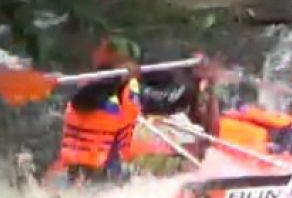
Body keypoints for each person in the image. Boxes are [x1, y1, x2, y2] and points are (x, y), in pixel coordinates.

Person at [53, 35, 216, 185]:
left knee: (178, 168)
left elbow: (171, 100)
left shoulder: (129, 92)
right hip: (83, 174)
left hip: (112, 172)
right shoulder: (88, 92)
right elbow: (89, 96)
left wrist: (195, 76)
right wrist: (119, 78)